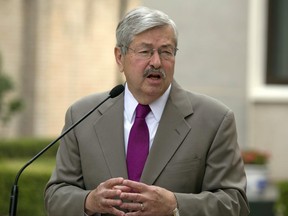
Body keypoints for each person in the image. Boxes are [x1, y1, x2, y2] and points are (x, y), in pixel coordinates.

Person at [44, 6, 250, 216]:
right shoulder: (81, 116)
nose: (157, 62)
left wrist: (175, 204)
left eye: (166, 51)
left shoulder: (214, 120)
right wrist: (90, 201)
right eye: (145, 51)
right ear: (119, 57)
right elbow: (56, 195)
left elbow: (235, 203)